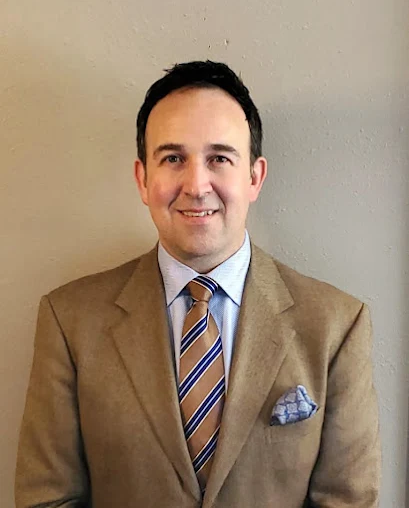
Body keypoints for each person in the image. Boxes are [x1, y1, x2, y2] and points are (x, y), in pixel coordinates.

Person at [15, 61, 381, 508]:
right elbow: (47, 499)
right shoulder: (69, 321)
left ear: (254, 177)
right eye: (173, 158)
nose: (195, 184)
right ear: (143, 179)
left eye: (219, 158)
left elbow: (347, 501)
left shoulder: (336, 326)